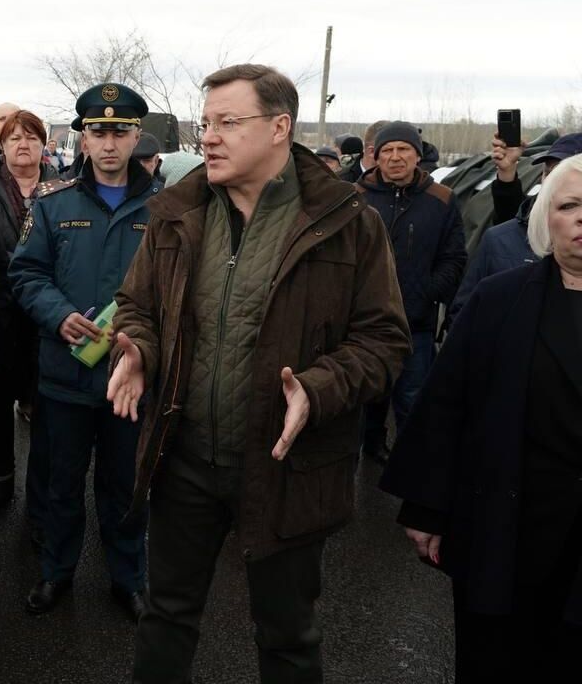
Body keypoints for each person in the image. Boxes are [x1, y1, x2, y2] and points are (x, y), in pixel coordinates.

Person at [107, 64, 409, 683]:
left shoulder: (349, 223)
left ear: (279, 127)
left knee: (288, 635)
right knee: (166, 617)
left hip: (286, 465)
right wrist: (137, 349)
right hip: (184, 456)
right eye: (206, 123)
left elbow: (384, 340)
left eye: (227, 122)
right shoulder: (177, 215)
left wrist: (319, 390)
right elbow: (137, 305)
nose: (209, 137)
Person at [380, 153, 582, 682]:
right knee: (502, 658)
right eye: (570, 205)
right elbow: (448, 403)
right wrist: (427, 507)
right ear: (546, 219)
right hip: (509, 519)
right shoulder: (500, 299)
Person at [9, 84, 160, 622]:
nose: (110, 142)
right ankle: (56, 572)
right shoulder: (54, 203)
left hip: (131, 377)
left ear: (138, 136)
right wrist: (57, 313)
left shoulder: (166, 208)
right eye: (99, 131)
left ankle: (129, 578)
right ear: (84, 137)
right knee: (61, 483)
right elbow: (25, 273)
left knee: (126, 486)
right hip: (65, 373)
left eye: (121, 131)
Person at [356, 121, 467, 463]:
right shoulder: (356, 197)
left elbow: (454, 258)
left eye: (403, 149)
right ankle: (369, 449)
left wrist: (426, 293)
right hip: (365, 322)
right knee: (368, 396)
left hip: (414, 324)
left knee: (412, 398)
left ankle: (411, 470)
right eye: (387, 150)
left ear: (417, 155)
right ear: (375, 157)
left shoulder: (441, 199)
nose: (395, 157)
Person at [0, 110, 58, 517]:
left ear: (43, 144)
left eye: (31, 137)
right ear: (1, 145)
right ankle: (2, 477)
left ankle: (40, 487)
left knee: (46, 404)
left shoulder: (65, 189)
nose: (22, 145)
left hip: (48, 318)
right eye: (13, 138)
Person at [451, 134, 582, 319]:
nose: (552, 181)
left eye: (563, 173)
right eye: (548, 171)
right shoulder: (499, 240)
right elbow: (464, 313)